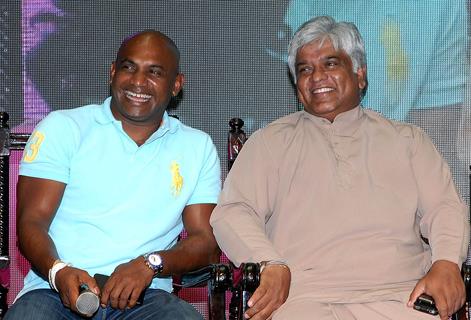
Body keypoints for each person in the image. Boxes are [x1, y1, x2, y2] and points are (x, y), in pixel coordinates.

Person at [210, 16, 469, 320]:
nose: (317, 76)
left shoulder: (407, 141)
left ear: (360, 74)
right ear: (297, 87)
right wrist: (269, 263)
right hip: (302, 300)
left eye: (331, 64)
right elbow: (233, 212)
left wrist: (447, 262)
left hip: (400, 297)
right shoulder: (270, 143)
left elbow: (445, 208)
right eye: (305, 69)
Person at [5, 30, 221, 319]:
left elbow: (206, 243)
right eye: (128, 67)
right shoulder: (64, 128)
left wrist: (150, 264)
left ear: (176, 85)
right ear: (112, 72)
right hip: (54, 292)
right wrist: (59, 271)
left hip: (147, 297)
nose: (138, 81)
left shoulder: (197, 146)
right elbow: (31, 223)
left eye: (154, 72)